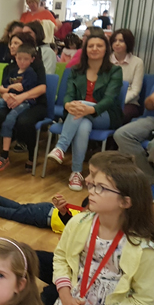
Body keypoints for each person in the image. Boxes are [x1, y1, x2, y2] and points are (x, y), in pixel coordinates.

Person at [44, 152, 154, 305]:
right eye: (92, 185)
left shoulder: (142, 248)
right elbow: (60, 258)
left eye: (100, 188)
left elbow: (145, 301)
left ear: (125, 202)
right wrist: (65, 295)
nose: (91, 191)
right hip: (72, 304)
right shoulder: (79, 223)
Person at [47, 30, 123, 191]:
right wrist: (67, 105)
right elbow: (68, 94)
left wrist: (86, 108)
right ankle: (76, 173)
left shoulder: (115, 71)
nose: (94, 48)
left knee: (81, 107)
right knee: (83, 125)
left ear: (106, 49)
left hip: (105, 115)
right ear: (85, 49)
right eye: (91, 46)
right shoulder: (76, 70)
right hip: (80, 116)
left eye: (99, 45)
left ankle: (61, 146)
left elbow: (109, 100)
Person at [0, 33, 48, 172]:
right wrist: (6, 94)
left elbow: (42, 88)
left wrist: (21, 97)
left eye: (16, 43)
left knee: (23, 121)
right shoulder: (10, 68)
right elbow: (3, 88)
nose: (12, 46)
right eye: (11, 43)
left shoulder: (34, 67)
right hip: (13, 100)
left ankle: (32, 155)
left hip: (34, 103)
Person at [109, 29, 143, 123]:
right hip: (106, 100)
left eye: (121, 41)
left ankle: (113, 137)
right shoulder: (105, 60)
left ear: (128, 43)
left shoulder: (137, 62)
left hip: (128, 103)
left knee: (117, 115)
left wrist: (119, 102)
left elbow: (135, 90)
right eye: (114, 41)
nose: (117, 44)